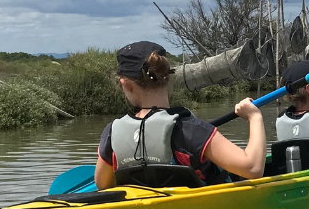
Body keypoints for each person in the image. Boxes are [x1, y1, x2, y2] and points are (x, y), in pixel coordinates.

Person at [95, 41, 266, 190]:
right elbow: (253, 168)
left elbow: (102, 184)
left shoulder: (112, 132)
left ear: (126, 85)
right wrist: (254, 117)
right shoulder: (191, 129)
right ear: (168, 78)